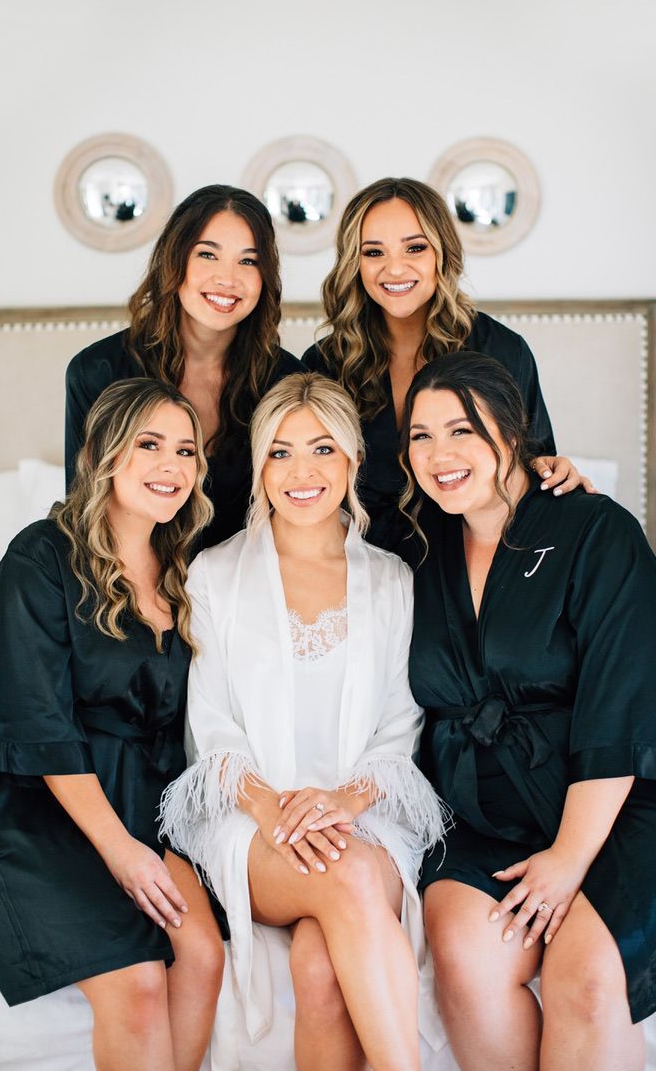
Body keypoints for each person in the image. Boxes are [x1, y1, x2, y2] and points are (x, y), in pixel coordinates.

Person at [400, 351, 656, 1071]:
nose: (441, 455)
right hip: (490, 815)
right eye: (420, 437)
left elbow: (622, 705)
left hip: (625, 804)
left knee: (583, 982)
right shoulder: (417, 550)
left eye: (462, 429)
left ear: (514, 431)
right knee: (463, 955)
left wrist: (567, 859)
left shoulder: (597, 531)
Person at [160, 372, 447, 1071]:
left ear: (351, 459)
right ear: (258, 467)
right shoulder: (214, 576)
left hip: (366, 811)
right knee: (345, 881)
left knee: (321, 968)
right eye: (280, 453)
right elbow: (213, 727)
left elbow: (399, 726)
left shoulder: (392, 581)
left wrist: (342, 804)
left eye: (321, 449)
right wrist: (273, 808)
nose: (301, 472)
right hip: (246, 815)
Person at [0, 378, 226, 1071]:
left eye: (186, 451)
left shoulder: (187, 568)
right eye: (149, 445)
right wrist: (120, 852)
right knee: (137, 984)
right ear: (103, 453)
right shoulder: (38, 558)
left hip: (142, 798)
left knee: (201, 955)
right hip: (32, 796)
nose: (170, 465)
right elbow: (39, 721)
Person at [303, 176, 590, 553]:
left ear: (442, 252)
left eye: (415, 248)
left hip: (477, 561)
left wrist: (553, 470)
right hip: (360, 566)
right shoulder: (324, 364)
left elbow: (532, 467)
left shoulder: (500, 351)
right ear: (353, 263)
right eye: (374, 252)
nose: (394, 269)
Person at [65, 183, 305, 550]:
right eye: (208, 255)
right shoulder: (99, 371)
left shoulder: (284, 381)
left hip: (243, 588)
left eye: (248, 261)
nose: (227, 279)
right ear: (174, 260)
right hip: (131, 588)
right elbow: (83, 510)